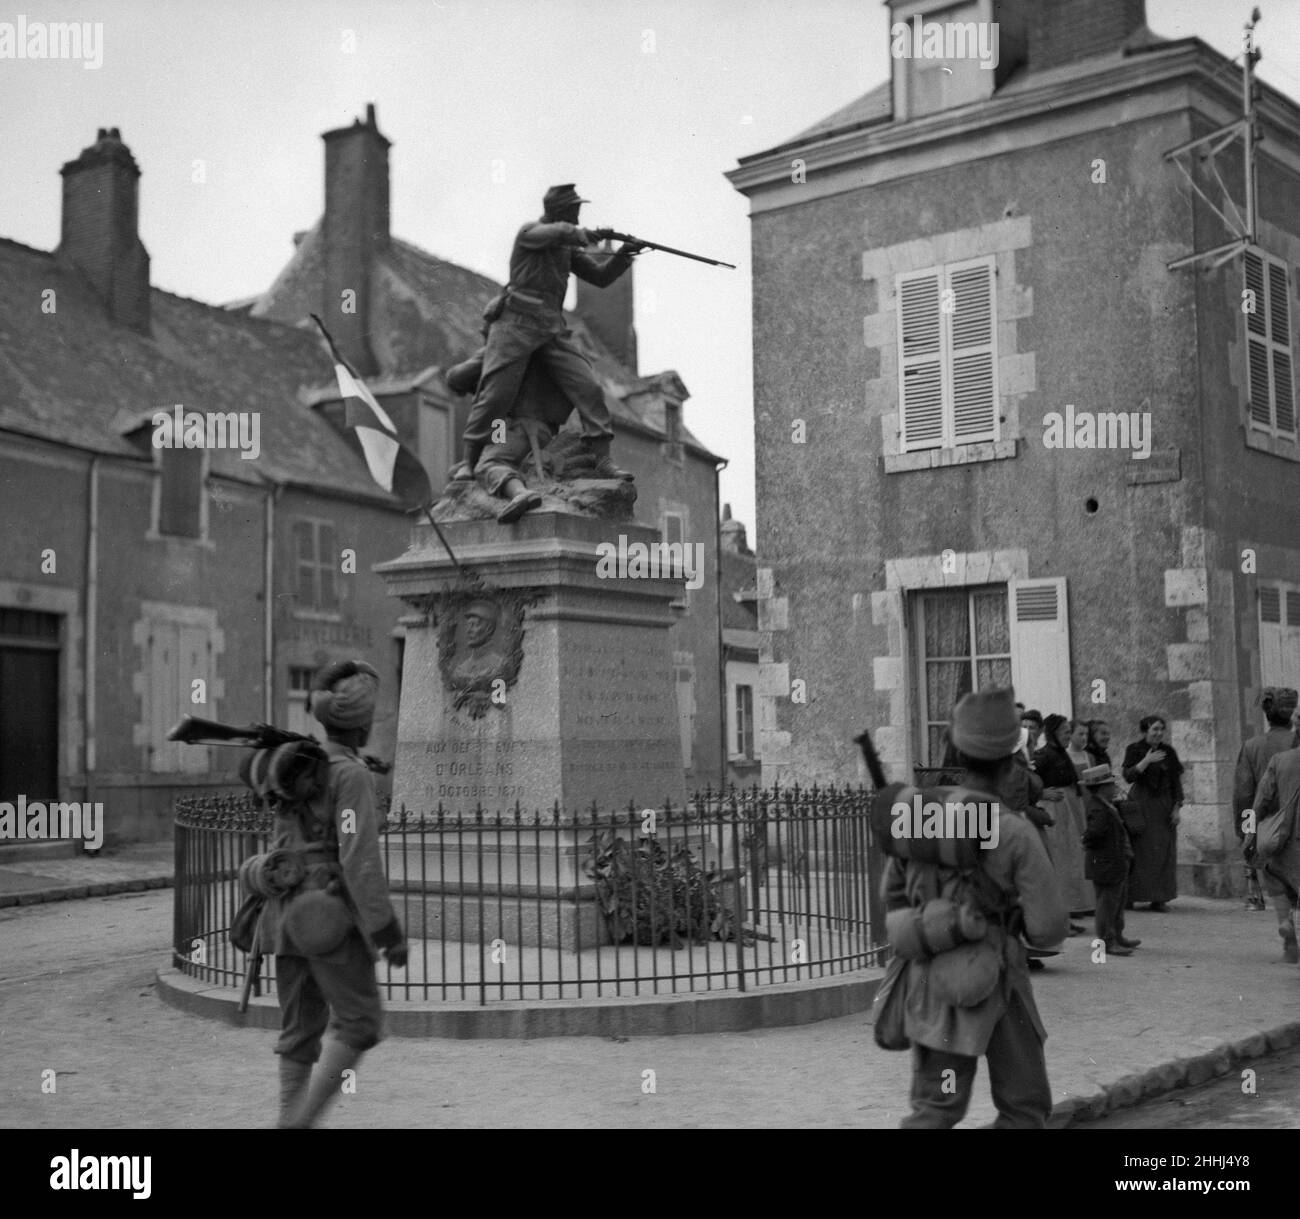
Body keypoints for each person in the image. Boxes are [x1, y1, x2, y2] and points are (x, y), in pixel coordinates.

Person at [883, 687, 1068, 1128]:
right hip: (1000, 985)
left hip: (931, 983)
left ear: (958, 751)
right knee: (1024, 1107)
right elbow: (1049, 929)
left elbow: (891, 897)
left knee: (935, 1108)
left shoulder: (918, 817)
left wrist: (936, 920)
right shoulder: (1014, 830)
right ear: (1010, 759)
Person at [261, 659, 409, 1129]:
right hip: (327, 920)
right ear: (362, 724)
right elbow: (359, 861)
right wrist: (388, 932)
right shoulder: (350, 775)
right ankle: (296, 1125)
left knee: (300, 1032)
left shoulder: (294, 764)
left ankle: (289, 1121)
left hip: (285, 915)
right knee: (361, 1023)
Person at [452, 184, 645, 484]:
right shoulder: (530, 232)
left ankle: (602, 460)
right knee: (496, 394)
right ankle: (468, 462)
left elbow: (599, 276)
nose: (578, 215)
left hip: (551, 326)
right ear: (558, 210)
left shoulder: (565, 247)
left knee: (588, 387)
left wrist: (623, 255)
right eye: (574, 209)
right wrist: (589, 235)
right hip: (516, 323)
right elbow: (555, 234)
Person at [1234, 688, 1298, 913]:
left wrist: (1246, 833)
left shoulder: (1252, 746)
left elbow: (1244, 795)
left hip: (1268, 827)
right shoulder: (1295, 742)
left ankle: (1255, 896)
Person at [1032, 715, 1091, 926]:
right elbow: (1027, 780)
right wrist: (1042, 792)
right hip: (1054, 811)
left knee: (1069, 861)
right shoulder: (1044, 755)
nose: (1068, 735)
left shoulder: (1060, 754)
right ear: (1054, 734)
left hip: (1067, 811)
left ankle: (1067, 912)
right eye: (1065, 732)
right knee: (1058, 862)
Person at [1121, 715, 1184, 911]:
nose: (1158, 733)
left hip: (1163, 806)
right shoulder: (1134, 749)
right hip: (1141, 803)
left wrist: (1176, 808)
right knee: (1139, 850)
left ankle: (1159, 897)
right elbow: (1128, 776)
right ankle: (1132, 895)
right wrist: (1146, 760)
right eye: (1154, 729)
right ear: (1144, 731)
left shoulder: (1168, 752)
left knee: (1163, 851)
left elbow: (1176, 782)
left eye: (1161, 729)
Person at [1249, 726, 1300, 963]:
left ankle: (1287, 927)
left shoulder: (1280, 760)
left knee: (1277, 879)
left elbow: (1259, 802)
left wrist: (1249, 834)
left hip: (1287, 837)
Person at [1080, 764, 1140, 956]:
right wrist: (1086, 840)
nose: (1114, 787)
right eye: (1110, 784)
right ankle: (1107, 940)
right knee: (1107, 904)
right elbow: (1094, 833)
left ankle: (1117, 935)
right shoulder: (1099, 809)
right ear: (1102, 788)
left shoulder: (1105, 805)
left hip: (1113, 863)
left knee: (1117, 901)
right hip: (1106, 864)